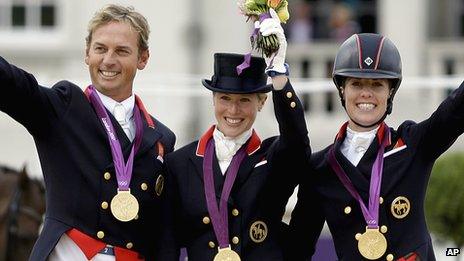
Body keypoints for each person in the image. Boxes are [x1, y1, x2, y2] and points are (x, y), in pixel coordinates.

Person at [0, 4, 175, 261]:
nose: (108, 60)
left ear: (143, 58)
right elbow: (14, 85)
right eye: (100, 49)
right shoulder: (64, 108)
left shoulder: (161, 138)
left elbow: (162, 231)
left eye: (122, 51)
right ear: (87, 53)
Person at [288, 33, 459, 260]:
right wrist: (281, 85)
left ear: (390, 92)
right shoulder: (319, 168)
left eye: (377, 84)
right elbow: (297, 248)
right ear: (342, 90)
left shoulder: (412, 145)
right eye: (356, 84)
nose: (366, 93)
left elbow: (456, 109)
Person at [157, 9, 310, 261]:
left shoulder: (271, 158)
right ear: (213, 100)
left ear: (261, 102)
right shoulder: (179, 163)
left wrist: (280, 77)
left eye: (244, 100)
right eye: (225, 98)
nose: (233, 110)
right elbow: (166, 243)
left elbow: (297, 143)